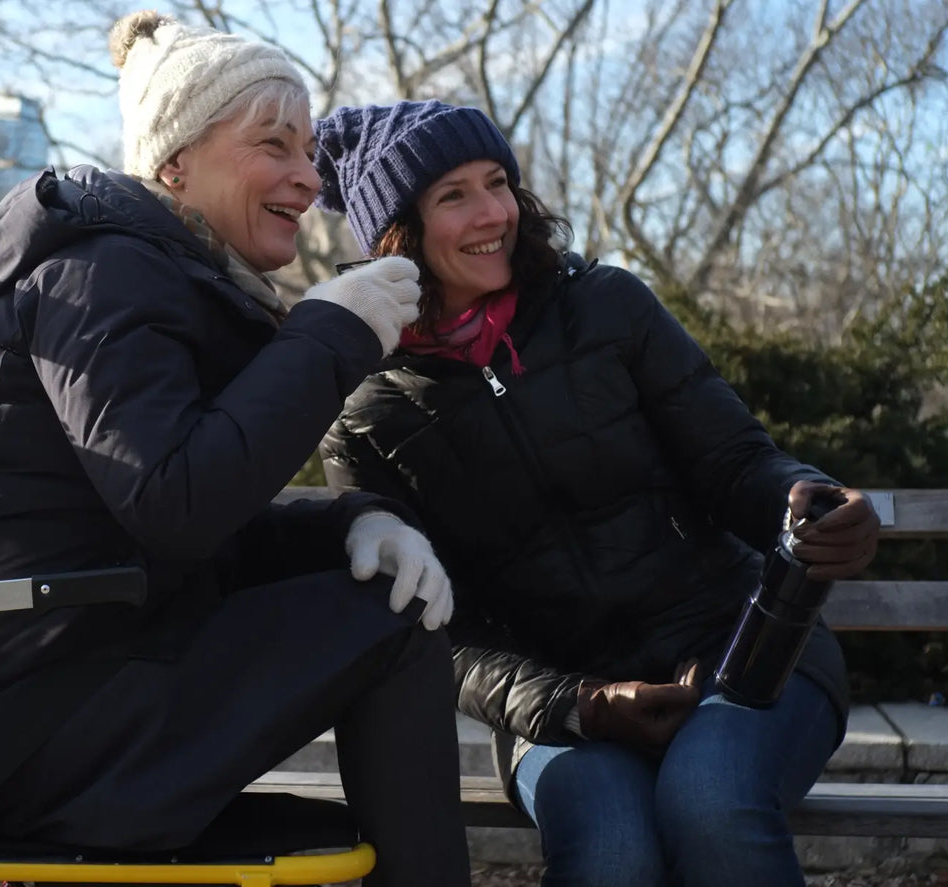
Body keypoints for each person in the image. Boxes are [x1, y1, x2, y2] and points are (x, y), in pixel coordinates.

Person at [0, 20, 472, 886]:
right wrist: (328, 334)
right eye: (272, 145)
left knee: (389, 600)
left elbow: (199, 521)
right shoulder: (102, 276)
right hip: (34, 731)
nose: (310, 178)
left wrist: (352, 521)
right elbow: (176, 502)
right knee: (398, 630)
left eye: (311, 152)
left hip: (76, 693)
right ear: (174, 165)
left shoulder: (161, 279)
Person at [313, 100, 881, 887]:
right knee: (612, 852)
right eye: (454, 197)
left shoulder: (608, 304)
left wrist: (805, 499)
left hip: (739, 651)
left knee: (709, 801)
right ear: (396, 235)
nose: (493, 214)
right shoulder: (364, 413)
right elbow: (432, 634)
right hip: (554, 708)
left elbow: (736, 462)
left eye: (498, 183)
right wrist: (582, 703)